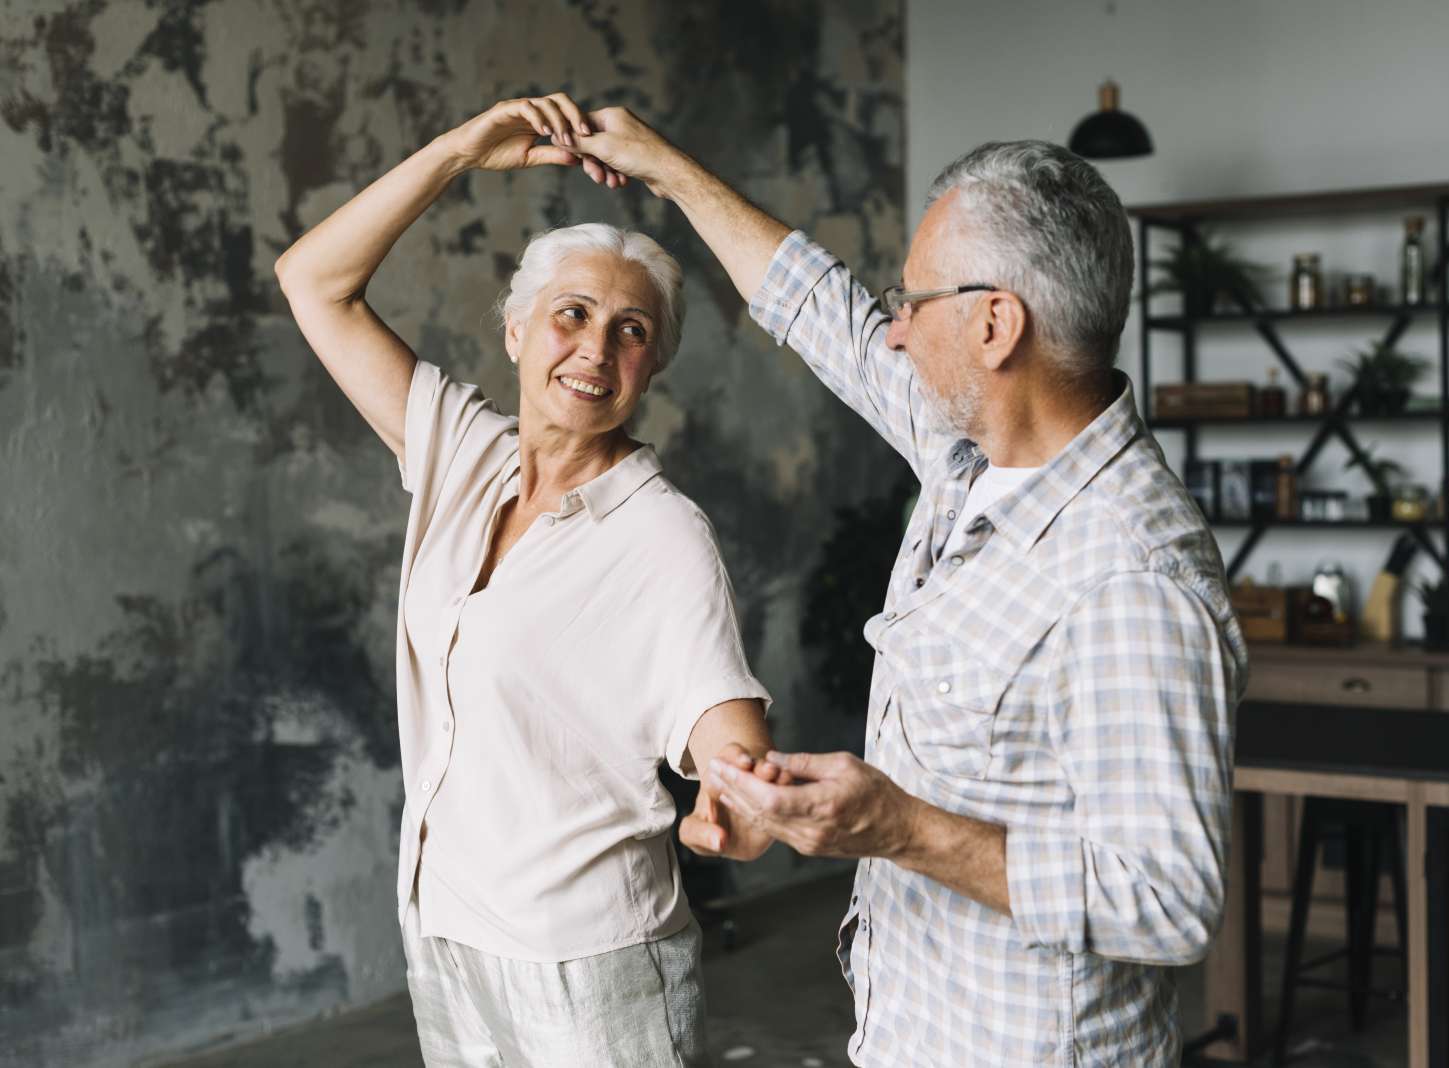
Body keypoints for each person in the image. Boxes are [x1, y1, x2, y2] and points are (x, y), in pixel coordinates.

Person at [574, 111, 1249, 1065]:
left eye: (913, 301)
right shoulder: (969, 451)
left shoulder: (1129, 576)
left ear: (993, 323)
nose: (892, 331)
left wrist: (899, 827)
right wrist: (663, 168)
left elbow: (1169, 901)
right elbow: (821, 313)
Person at [274, 94, 785, 1068]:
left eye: (631, 330)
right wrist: (462, 148)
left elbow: (727, 733)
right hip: (449, 933)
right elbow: (312, 282)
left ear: (653, 367)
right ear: (516, 333)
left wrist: (738, 800)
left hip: (588, 968)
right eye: (572, 314)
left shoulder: (663, 536)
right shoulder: (460, 450)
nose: (595, 348)